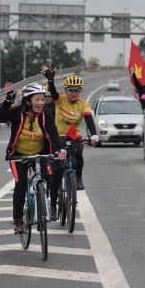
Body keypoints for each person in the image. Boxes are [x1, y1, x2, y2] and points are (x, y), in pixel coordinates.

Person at [0, 83, 66, 233]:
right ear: (28, 101)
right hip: (18, 154)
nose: (40, 103)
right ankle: (18, 220)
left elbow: (53, 133)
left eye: (42, 99)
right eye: (37, 100)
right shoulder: (17, 112)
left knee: (46, 178)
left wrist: (60, 148)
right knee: (20, 185)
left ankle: (41, 211)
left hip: (40, 153)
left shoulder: (45, 114)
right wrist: (8, 100)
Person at [41, 67, 99, 220]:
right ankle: (53, 205)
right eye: (71, 90)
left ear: (80, 91)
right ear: (66, 91)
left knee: (78, 152)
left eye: (77, 90)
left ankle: (78, 176)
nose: (74, 93)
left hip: (74, 138)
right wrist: (50, 81)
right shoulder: (60, 100)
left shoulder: (83, 104)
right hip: (58, 138)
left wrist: (93, 134)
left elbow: (88, 119)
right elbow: (53, 93)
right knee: (57, 171)